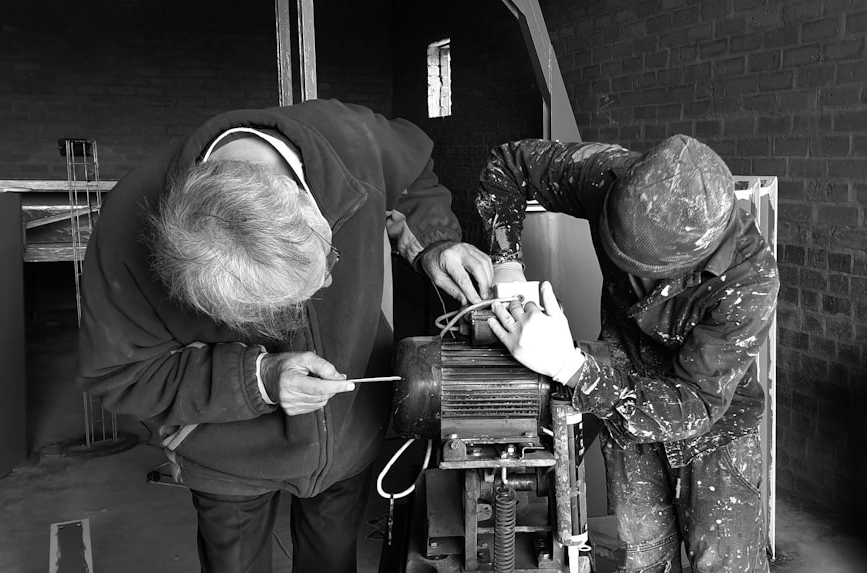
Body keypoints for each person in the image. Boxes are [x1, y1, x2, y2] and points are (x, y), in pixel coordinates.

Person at [76, 99, 493, 573]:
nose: (330, 286)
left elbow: (414, 174)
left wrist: (432, 243)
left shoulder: (351, 140)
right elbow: (121, 375)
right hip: (228, 457)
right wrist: (259, 379)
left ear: (311, 202)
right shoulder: (125, 226)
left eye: (327, 265)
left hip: (348, 433)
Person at [477, 135, 779, 572]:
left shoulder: (749, 282)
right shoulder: (610, 176)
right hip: (623, 402)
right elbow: (509, 162)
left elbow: (695, 402)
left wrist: (570, 366)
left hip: (711, 425)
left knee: (725, 563)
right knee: (641, 556)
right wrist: (505, 264)